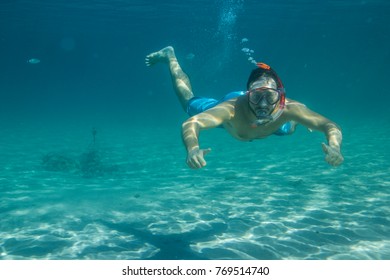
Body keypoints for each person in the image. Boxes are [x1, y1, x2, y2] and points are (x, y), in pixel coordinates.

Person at [145, 46, 344, 169]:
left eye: (270, 96)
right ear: (248, 94)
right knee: (187, 101)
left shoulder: (288, 108)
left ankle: (299, 120)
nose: (264, 105)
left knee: (288, 129)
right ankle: (170, 56)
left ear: (280, 96)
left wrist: (334, 147)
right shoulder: (229, 110)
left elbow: (330, 126)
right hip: (231, 120)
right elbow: (191, 124)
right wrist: (192, 149)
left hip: (276, 123)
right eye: (257, 96)